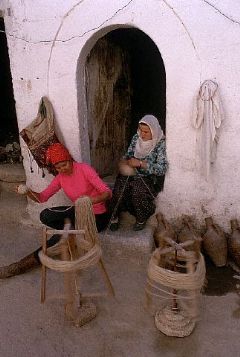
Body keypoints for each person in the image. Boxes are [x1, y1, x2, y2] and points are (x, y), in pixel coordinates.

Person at [0, 142, 111, 278]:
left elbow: (107, 192)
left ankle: (18, 267)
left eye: (64, 164)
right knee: (46, 215)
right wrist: (27, 192)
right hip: (78, 211)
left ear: (69, 159)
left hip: (96, 216)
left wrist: (89, 200)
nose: (62, 169)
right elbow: (42, 197)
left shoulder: (84, 169)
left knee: (58, 237)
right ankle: (68, 233)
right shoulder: (60, 178)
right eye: (58, 167)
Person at [109, 114, 168, 231]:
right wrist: (124, 162)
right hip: (132, 173)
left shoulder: (160, 143)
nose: (142, 134)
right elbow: (128, 155)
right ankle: (114, 217)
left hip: (149, 178)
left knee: (138, 190)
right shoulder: (136, 138)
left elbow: (162, 168)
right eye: (141, 130)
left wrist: (141, 164)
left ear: (154, 131)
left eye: (146, 132)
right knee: (119, 188)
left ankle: (141, 218)